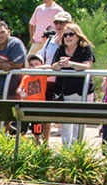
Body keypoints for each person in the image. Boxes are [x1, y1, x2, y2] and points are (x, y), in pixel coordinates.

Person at [51, 22, 94, 147]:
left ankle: (77, 152)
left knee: (79, 125)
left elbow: (87, 66)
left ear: (78, 36)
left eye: (71, 34)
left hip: (81, 91)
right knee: (65, 126)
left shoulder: (85, 48)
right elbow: (53, 66)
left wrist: (71, 64)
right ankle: (66, 152)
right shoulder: (60, 49)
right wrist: (60, 64)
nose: (68, 37)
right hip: (64, 92)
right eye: (65, 35)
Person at [37, 10, 72, 142]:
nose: (58, 25)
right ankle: (45, 146)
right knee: (46, 116)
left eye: (62, 22)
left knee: (65, 118)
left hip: (66, 84)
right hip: (48, 82)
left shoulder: (73, 41)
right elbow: (42, 57)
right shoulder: (50, 40)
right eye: (56, 22)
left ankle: (68, 150)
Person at [17, 53, 49, 143]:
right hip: (27, 105)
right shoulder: (26, 77)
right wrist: (21, 92)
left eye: (36, 64)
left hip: (38, 106)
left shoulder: (42, 75)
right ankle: (21, 143)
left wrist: (38, 68)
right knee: (22, 126)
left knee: (37, 127)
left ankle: (37, 143)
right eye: (31, 65)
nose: (33, 66)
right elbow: (20, 88)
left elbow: (49, 67)